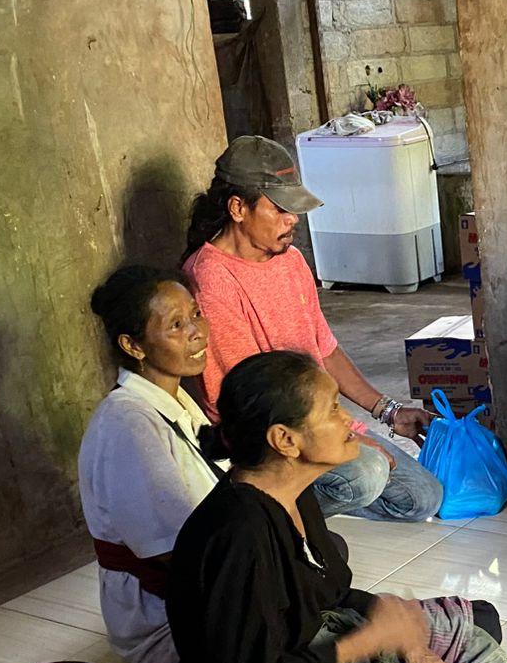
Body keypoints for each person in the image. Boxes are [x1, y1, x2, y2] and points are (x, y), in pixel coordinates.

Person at [166, 350, 507, 663]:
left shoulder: (294, 491)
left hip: (319, 646)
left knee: (480, 625)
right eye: (331, 408)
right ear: (285, 440)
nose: (347, 420)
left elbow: (332, 593)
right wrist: (368, 642)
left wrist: (402, 636)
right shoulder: (238, 536)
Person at [181, 135, 442, 523]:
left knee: (422, 498)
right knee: (365, 475)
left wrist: (387, 412)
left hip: (315, 418)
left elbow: (326, 349)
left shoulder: (290, 261)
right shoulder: (212, 280)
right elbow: (249, 405)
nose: (293, 219)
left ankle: (307, 494)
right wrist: (352, 440)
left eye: (295, 210)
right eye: (281, 210)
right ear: (238, 208)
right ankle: (263, 514)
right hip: (269, 437)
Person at [77, 265, 220, 663]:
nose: (198, 331)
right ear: (133, 345)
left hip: (199, 573)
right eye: (177, 325)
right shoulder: (127, 423)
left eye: (195, 314)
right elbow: (172, 553)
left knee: (323, 555)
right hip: (161, 622)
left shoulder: (173, 399)